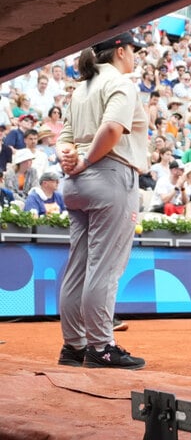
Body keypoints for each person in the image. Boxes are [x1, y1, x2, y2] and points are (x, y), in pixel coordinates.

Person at [55, 31, 149, 370]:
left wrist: (71, 160)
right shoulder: (120, 83)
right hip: (108, 175)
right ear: (120, 51)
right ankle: (100, 346)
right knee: (105, 268)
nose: (136, 56)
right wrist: (86, 160)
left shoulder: (81, 88)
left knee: (78, 266)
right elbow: (111, 130)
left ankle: (74, 346)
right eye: (134, 50)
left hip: (76, 182)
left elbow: (63, 139)